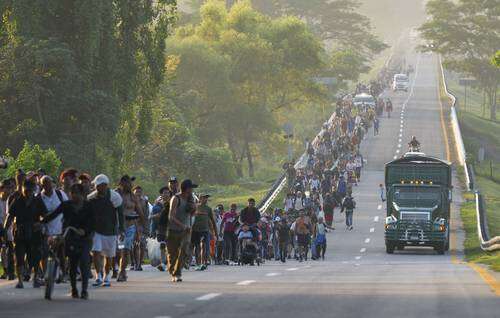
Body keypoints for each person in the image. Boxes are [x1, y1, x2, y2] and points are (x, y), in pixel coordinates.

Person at [42, 183, 94, 299]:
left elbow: (93, 222)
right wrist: (41, 222)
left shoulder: (88, 206)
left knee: (85, 262)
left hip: (84, 238)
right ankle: (74, 288)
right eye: (73, 193)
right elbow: (53, 215)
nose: (75, 195)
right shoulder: (66, 205)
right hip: (69, 236)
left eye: (77, 193)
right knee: (73, 263)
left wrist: (84, 231)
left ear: (83, 194)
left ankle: (84, 290)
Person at [4, 180, 47, 288]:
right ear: (23, 189)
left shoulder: (38, 201)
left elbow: (45, 216)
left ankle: (36, 277)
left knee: (36, 256)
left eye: (30, 190)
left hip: (34, 232)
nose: (28, 192)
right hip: (20, 232)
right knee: (19, 257)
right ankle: (20, 281)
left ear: (34, 190)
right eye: (26, 190)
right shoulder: (17, 201)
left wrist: (40, 224)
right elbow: (10, 217)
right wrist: (4, 231)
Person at [88, 174, 123, 287]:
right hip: (96, 230)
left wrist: (122, 229)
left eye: (99, 186)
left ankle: (106, 277)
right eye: (96, 186)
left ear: (105, 185)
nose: (97, 188)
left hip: (110, 231)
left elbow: (120, 214)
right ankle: (98, 276)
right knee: (96, 252)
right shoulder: (91, 198)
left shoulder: (115, 197)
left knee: (109, 256)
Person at [39, 175, 69, 283]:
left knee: (61, 253)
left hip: (60, 229)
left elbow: (67, 208)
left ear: (52, 183)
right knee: (44, 253)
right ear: (41, 185)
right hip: (45, 231)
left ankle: (64, 274)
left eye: (49, 182)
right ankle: (45, 275)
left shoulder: (60, 194)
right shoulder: (38, 197)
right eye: (44, 183)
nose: (47, 185)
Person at [166, 179, 197, 282]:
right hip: (173, 230)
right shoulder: (176, 199)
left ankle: (178, 272)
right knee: (172, 254)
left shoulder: (191, 199)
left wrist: (193, 208)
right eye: (191, 188)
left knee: (184, 250)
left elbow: (191, 214)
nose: (192, 190)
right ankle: (173, 270)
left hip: (186, 231)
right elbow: (171, 217)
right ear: (187, 189)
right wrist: (183, 225)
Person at [115, 175, 143, 282]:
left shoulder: (133, 196)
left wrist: (142, 228)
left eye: (130, 183)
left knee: (125, 250)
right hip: (118, 226)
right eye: (127, 182)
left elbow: (140, 212)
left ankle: (122, 272)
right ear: (121, 183)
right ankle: (115, 269)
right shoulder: (116, 194)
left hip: (130, 226)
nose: (130, 185)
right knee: (118, 251)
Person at [191, 194, 217, 270]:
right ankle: (198, 263)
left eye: (206, 198)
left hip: (205, 230)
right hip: (195, 230)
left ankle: (203, 263)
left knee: (205, 247)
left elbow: (212, 221)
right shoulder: (195, 207)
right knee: (197, 247)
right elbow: (190, 216)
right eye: (204, 198)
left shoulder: (208, 209)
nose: (205, 199)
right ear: (200, 198)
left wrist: (215, 233)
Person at [151, 186, 171, 271]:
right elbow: (153, 218)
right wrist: (153, 230)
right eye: (164, 193)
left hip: (171, 227)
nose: (166, 194)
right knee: (162, 245)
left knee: (170, 246)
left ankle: (170, 263)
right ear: (161, 194)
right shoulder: (156, 206)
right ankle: (163, 263)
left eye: (167, 193)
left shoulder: (173, 203)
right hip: (161, 227)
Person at [0, 179, 15, 280]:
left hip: (11, 228)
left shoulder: (11, 200)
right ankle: (5, 271)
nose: (10, 190)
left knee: (11, 250)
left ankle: (11, 271)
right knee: (3, 249)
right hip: (1, 227)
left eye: (11, 188)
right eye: (8, 187)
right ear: (2, 188)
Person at [132, 185, 150, 271]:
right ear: (133, 192)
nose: (138, 193)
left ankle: (140, 263)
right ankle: (135, 263)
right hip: (132, 225)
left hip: (142, 225)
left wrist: (146, 227)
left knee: (142, 244)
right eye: (136, 192)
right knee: (135, 245)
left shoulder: (145, 201)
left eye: (140, 192)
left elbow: (146, 215)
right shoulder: (131, 201)